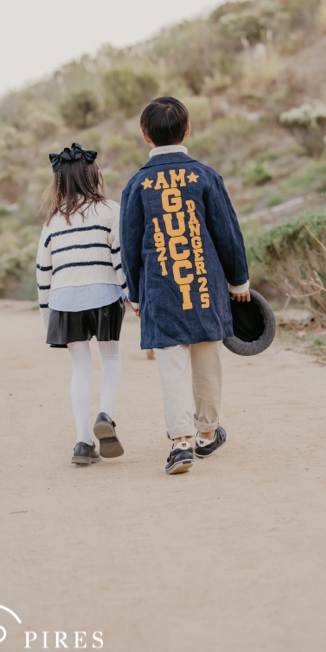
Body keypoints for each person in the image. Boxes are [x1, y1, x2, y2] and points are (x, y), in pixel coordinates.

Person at [119, 97, 251, 475]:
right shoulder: (205, 176)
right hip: (205, 287)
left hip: (160, 291)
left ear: (145, 136)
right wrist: (238, 280)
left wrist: (135, 293)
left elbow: (131, 245)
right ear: (188, 130)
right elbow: (228, 233)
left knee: (171, 366)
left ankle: (181, 443)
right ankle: (207, 433)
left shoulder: (137, 184)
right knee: (207, 359)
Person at [37, 142, 127, 466]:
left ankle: (82, 442)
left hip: (65, 298)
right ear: (92, 175)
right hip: (104, 295)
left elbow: (43, 271)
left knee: (80, 368)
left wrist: (46, 313)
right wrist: (131, 294)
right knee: (110, 356)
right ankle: (105, 415)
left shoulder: (51, 221)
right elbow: (120, 257)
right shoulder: (111, 210)